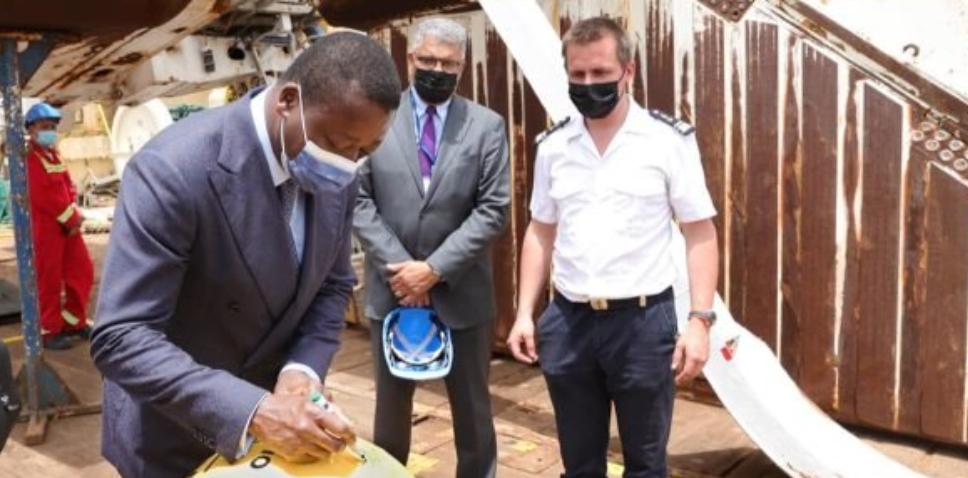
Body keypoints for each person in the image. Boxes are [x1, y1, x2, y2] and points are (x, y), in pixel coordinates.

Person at [90, 32, 401, 478]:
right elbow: (122, 336)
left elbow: (332, 287)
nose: (348, 163)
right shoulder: (174, 170)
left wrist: (302, 370)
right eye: (338, 144)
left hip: (276, 437)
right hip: (176, 433)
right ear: (288, 101)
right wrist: (252, 409)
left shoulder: (338, 172)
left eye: (364, 151)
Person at [506, 17, 720, 478]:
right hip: (570, 322)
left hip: (643, 325)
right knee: (579, 464)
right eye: (578, 74)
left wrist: (700, 321)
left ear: (628, 71)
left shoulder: (667, 141)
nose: (589, 84)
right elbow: (540, 230)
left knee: (646, 464)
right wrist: (525, 312)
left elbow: (700, 232)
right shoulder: (554, 147)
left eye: (601, 73)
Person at [353, 17, 511, 478]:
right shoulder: (376, 116)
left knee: (474, 413)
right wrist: (404, 270)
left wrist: (435, 269)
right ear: (410, 59)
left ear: (462, 66)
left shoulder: (486, 126)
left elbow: (493, 210)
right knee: (390, 415)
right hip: (393, 290)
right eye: (428, 60)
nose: (437, 70)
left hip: (461, 292)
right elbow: (358, 200)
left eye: (448, 63)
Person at [24, 102, 94, 350]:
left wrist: (74, 214)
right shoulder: (31, 159)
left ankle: (73, 321)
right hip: (46, 229)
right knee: (49, 280)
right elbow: (43, 196)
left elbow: (69, 186)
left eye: (52, 127)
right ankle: (49, 331)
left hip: (68, 226)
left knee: (82, 271)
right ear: (31, 129)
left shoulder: (55, 156)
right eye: (44, 127)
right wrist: (71, 219)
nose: (50, 132)